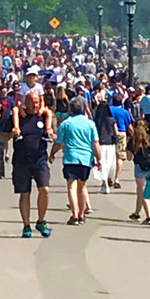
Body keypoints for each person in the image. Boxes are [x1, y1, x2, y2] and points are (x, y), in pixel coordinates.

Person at [6, 92, 53, 238]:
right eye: (32, 101)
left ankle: (41, 220)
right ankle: (26, 225)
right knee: (25, 193)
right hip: (21, 161)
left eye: (37, 102)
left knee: (44, 189)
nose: (34, 105)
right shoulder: (19, 116)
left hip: (40, 159)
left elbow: (54, 134)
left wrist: (51, 134)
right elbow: (3, 135)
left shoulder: (43, 116)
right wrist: (12, 133)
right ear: (26, 102)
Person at [49, 96, 100, 224]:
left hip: (70, 157)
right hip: (85, 158)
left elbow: (59, 141)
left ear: (70, 109)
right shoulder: (90, 123)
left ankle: (74, 214)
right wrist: (99, 158)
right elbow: (95, 142)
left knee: (71, 187)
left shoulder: (66, 123)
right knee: (82, 187)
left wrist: (52, 153)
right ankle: (82, 214)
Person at [127, 118, 150, 223]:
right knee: (143, 192)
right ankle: (137, 213)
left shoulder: (132, 141)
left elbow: (129, 157)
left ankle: (149, 217)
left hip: (139, 167)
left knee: (142, 192)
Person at [93, 97, 118, 192]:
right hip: (110, 143)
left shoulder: (96, 120)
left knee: (101, 163)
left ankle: (104, 183)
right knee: (109, 163)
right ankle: (107, 180)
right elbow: (116, 132)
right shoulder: (112, 120)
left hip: (100, 143)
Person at [110, 94, 133, 184]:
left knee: (110, 156)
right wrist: (133, 135)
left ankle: (109, 177)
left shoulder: (108, 110)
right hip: (121, 133)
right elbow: (129, 126)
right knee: (120, 156)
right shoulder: (124, 112)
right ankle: (116, 178)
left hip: (108, 133)